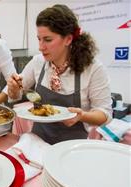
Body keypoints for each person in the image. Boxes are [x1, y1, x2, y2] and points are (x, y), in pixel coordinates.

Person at [7, 4, 112, 145]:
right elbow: (17, 94)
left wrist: (82, 116)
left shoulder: (93, 69)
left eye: (48, 40)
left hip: (72, 147)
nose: (41, 47)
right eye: (39, 39)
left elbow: (105, 114)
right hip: (38, 142)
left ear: (68, 39)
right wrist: (13, 89)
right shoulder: (38, 62)